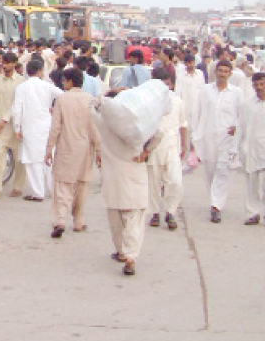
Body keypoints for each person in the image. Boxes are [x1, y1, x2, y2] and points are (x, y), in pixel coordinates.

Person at [95, 96, 163, 276]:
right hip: (134, 173)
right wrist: (146, 152)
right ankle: (131, 256)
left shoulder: (102, 122)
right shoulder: (136, 125)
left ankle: (121, 252)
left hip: (112, 177)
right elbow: (159, 133)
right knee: (133, 217)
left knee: (115, 216)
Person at [45, 68, 100, 238]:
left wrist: (49, 149)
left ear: (69, 81)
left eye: (64, 80)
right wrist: (99, 150)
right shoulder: (90, 100)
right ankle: (79, 221)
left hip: (66, 147)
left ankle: (60, 220)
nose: (63, 83)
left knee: (63, 185)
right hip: (84, 149)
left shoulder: (61, 100)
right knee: (81, 185)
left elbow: (55, 127)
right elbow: (95, 129)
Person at [193, 60, 243, 223]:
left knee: (224, 171)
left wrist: (237, 130)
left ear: (230, 74)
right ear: (215, 72)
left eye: (225, 71)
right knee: (210, 172)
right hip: (208, 138)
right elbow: (198, 114)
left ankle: (216, 207)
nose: (222, 74)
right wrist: (195, 138)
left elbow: (241, 115)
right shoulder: (205, 91)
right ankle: (214, 200)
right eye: (219, 70)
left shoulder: (237, 93)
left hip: (227, 139)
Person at [13, 59, 63, 201]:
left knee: (32, 160)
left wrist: (17, 127)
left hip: (29, 127)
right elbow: (62, 95)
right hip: (46, 125)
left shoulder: (21, 87)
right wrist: (55, 109)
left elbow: (17, 109)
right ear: (40, 71)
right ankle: (52, 190)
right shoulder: (47, 86)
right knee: (48, 158)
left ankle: (37, 192)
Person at [147, 68, 188, 230]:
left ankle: (170, 211)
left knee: (175, 181)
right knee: (153, 182)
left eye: (168, 84)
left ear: (171, 85)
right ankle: (154, 212)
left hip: (172, 145)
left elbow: (183, 123)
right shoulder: (149, 103)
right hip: (154, 147)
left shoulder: (177, 102)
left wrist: (185, 144)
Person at [0, 53, 26, 198]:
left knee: (19, 157)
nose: (5, 66)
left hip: (16, 124)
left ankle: (18, 186)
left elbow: (17, 104)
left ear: (14, 64)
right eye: (3, 62)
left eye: (8, 63)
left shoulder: (21, 81)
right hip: (1, 125)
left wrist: (4, 120)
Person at [239, 72, 265, 225]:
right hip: (252, 149)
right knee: (252, 183)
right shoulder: (248, 105)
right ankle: (253, 212)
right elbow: (242, 127)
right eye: (256, 85)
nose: (259, 88)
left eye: (262, 84)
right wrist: (239, 148)